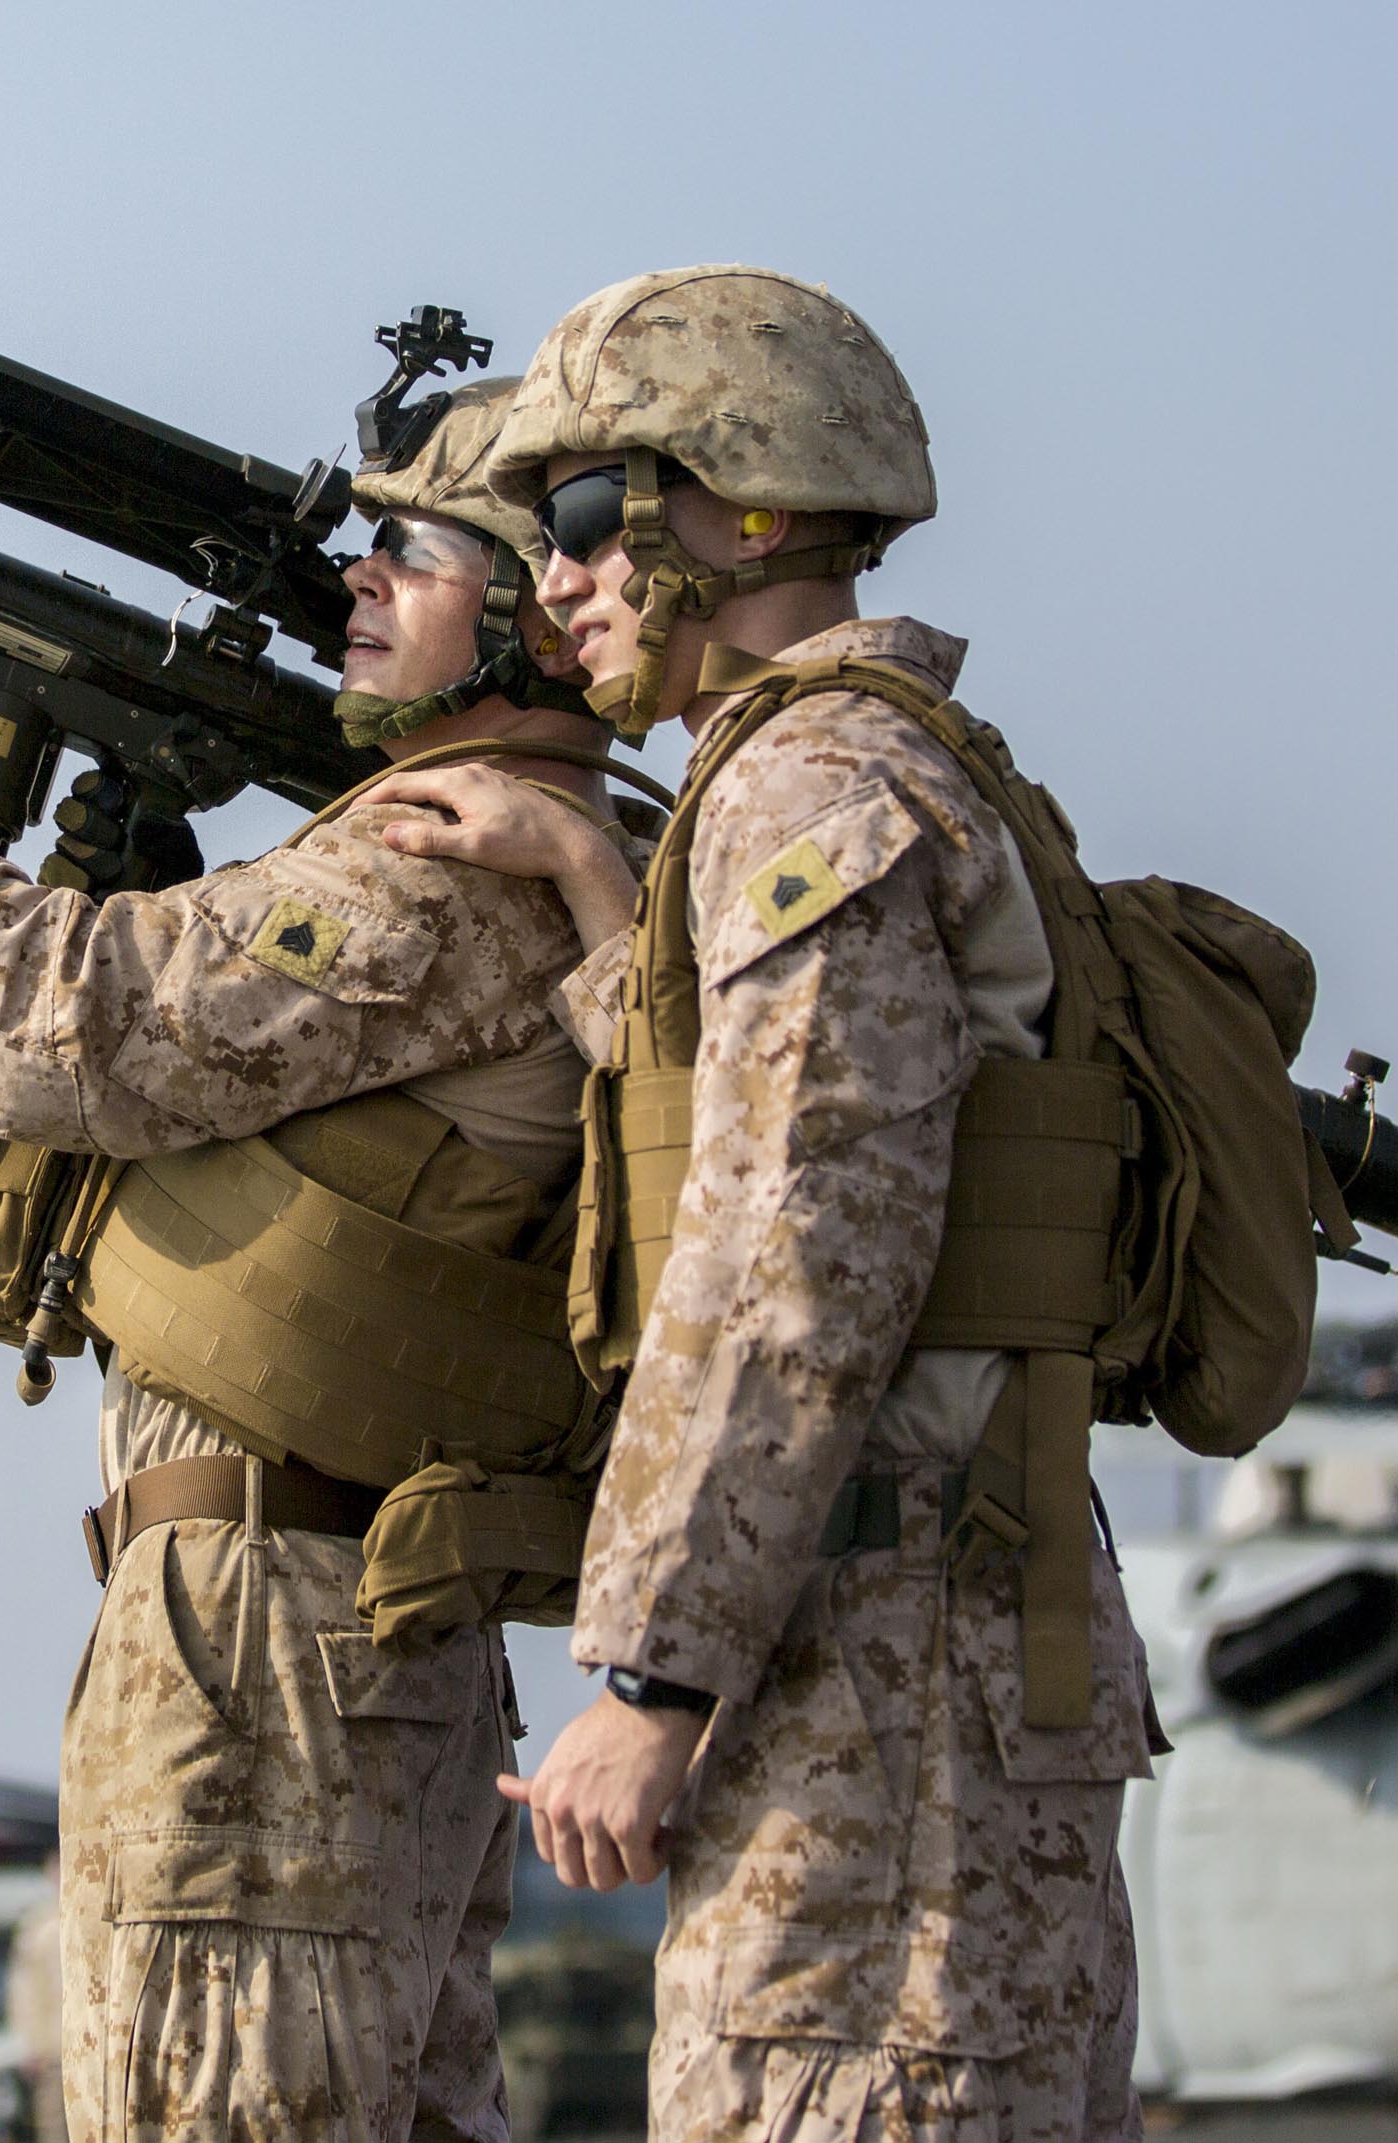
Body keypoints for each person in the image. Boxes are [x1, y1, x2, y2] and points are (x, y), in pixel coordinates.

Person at [0, 376, 630, 2142]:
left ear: (535, 611)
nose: (360, 584)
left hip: (275, 1638)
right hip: (320, 1624)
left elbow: (63, 1026)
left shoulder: (449, 868)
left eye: (416, 551)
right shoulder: (489, 861)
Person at [375, 267, 1153, 2141]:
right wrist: (581, 874)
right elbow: (735, 1126)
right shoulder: (849, 775)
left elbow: (796, 1243)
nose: (553, 576)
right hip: (906, 1662)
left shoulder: (808, 783)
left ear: (736, 510)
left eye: (580, 516)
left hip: (885, 1690)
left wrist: (651, 1666)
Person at [5, 1855, 66, 2143]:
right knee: (54, 2129)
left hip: (99, 2049)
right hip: (53, 2049)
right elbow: (24, 1991)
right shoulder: (38, 1925)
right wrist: (29, 2044)